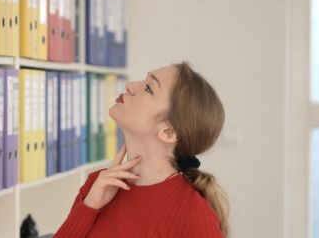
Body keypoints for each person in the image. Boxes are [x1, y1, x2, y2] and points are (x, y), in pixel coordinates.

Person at [54, 62, 229, 237]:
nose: (129, 86)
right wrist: (89, 206)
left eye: (148, 88)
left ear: (168, 132)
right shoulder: (98, 185)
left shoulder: (193, 215)